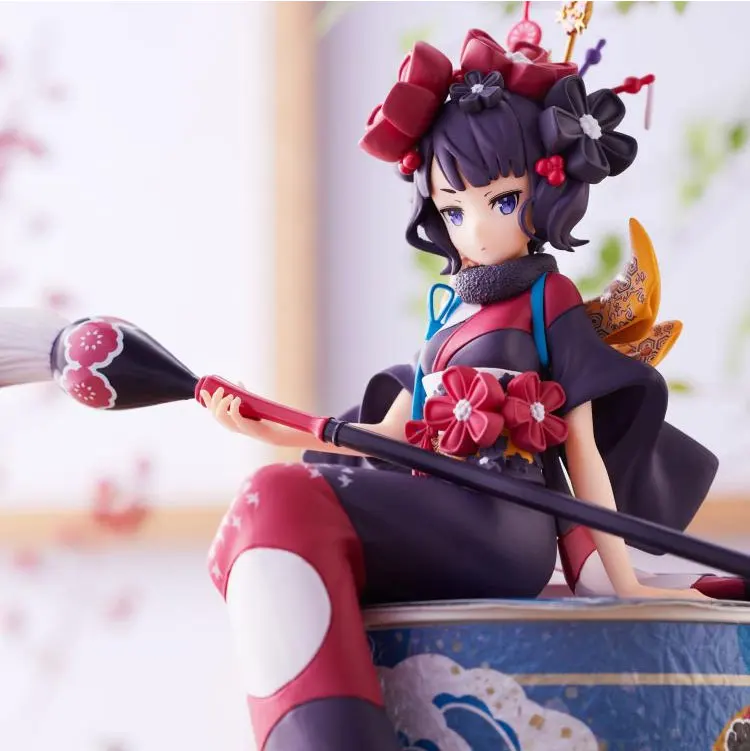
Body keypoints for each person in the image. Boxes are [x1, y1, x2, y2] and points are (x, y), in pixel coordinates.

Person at [201, 28, 724, 751]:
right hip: (439, 507)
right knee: (271, 499)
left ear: (546, 190)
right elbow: (388, 437)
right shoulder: (445, 320)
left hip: (502, 524)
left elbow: (582, 453)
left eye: (502, 201)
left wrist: (622, 578)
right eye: (454, 209)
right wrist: (268, 427)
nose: (475, 228)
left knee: (276, 500)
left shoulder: (547, 300)